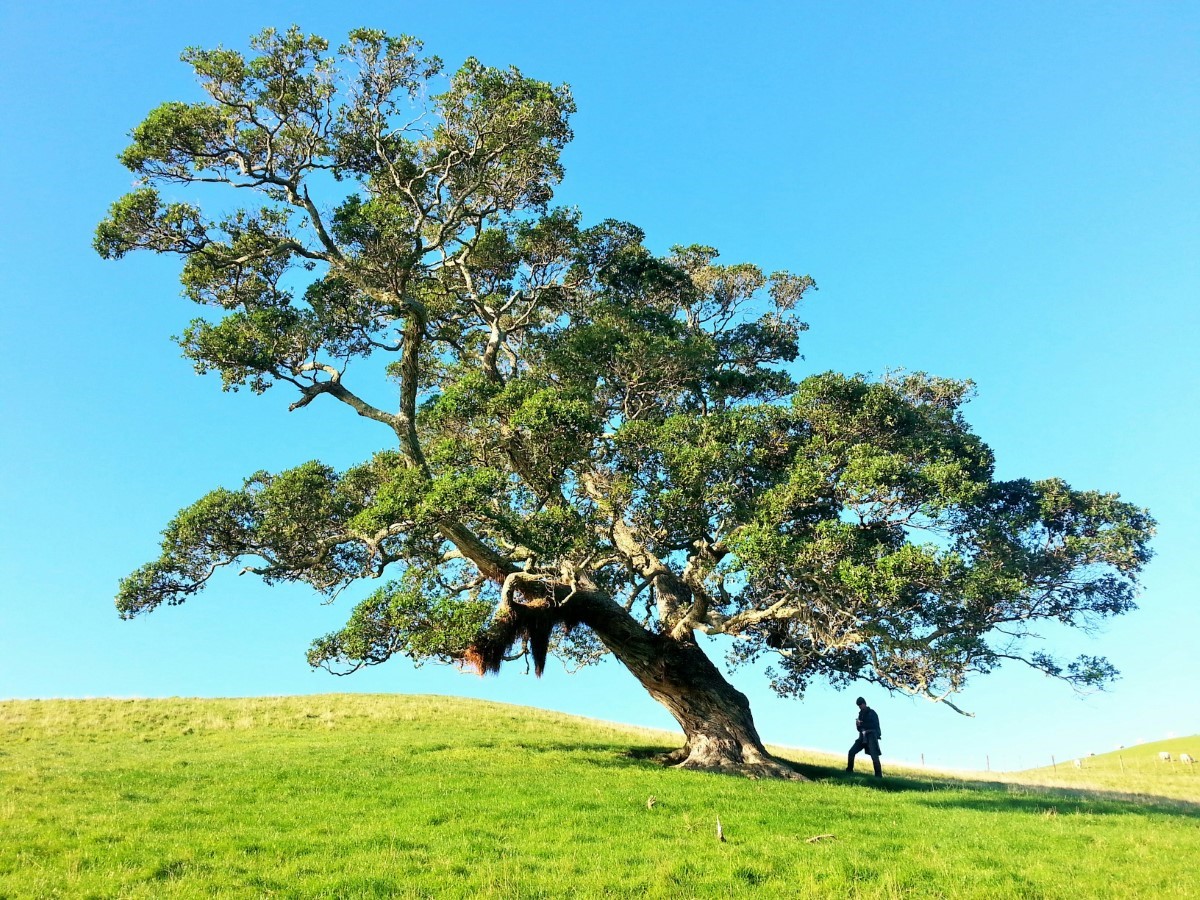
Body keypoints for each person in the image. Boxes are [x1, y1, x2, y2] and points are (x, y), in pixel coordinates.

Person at [847, 696, 882, 777]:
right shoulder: (860, 714)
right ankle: (849, 771)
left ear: (864, 704)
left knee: (874, 756)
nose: (859, 707)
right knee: (851, 752)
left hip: (871, 737)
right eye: (858, 705)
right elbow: (859, 728)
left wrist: (862, 724)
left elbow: (874, 725)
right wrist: (858, 725)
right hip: (862, 737)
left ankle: (878, 776)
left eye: (860, 705)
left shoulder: (872, 713)